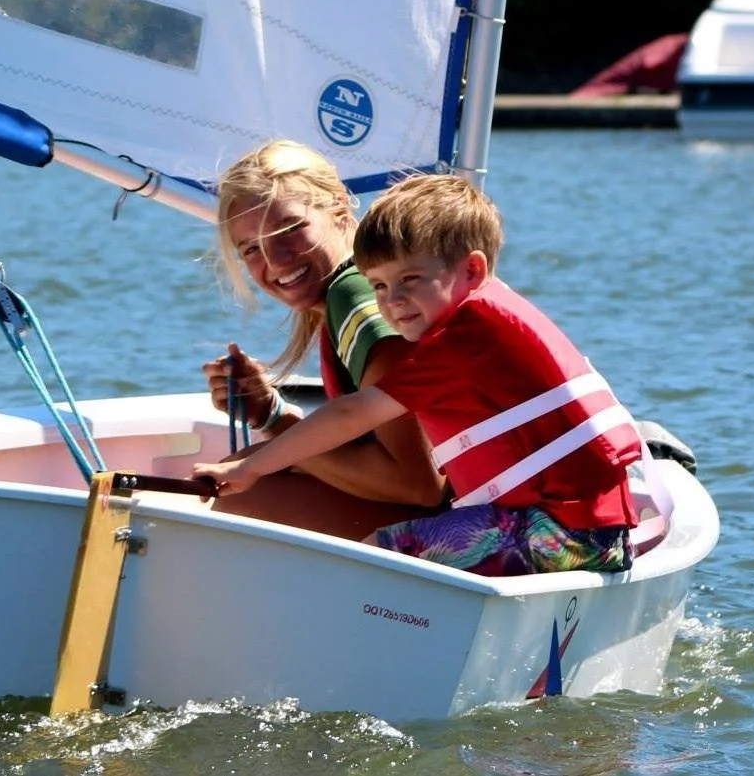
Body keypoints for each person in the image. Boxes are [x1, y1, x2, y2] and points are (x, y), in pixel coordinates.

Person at [195, 173, 642, 576]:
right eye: (380, 285)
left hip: (562, 532)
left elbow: (354, 413)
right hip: (582, 529)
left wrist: (252, 467)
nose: (393, 301)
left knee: (383, 554)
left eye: (410, 279)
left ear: (472, 270)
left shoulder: (463, 341)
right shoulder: (483, 319)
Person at [201, 140, 447, 539]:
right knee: (254, 473)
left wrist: (275, 438)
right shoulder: (355, 290)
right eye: (252, 249)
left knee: (246, 499)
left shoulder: (359, 299)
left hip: (494, 530)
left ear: (338, 207)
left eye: (289, 229)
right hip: (489, 514)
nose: (276, 259)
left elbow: (421, 485)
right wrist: (271, 416)